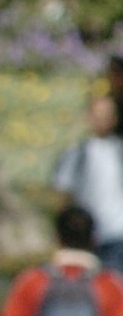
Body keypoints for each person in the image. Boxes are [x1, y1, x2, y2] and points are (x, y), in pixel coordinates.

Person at [50, 89, 123, 275]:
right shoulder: (77, 153)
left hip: (117, 233)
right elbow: (63, 193)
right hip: (87, 235)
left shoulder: (118, 150)